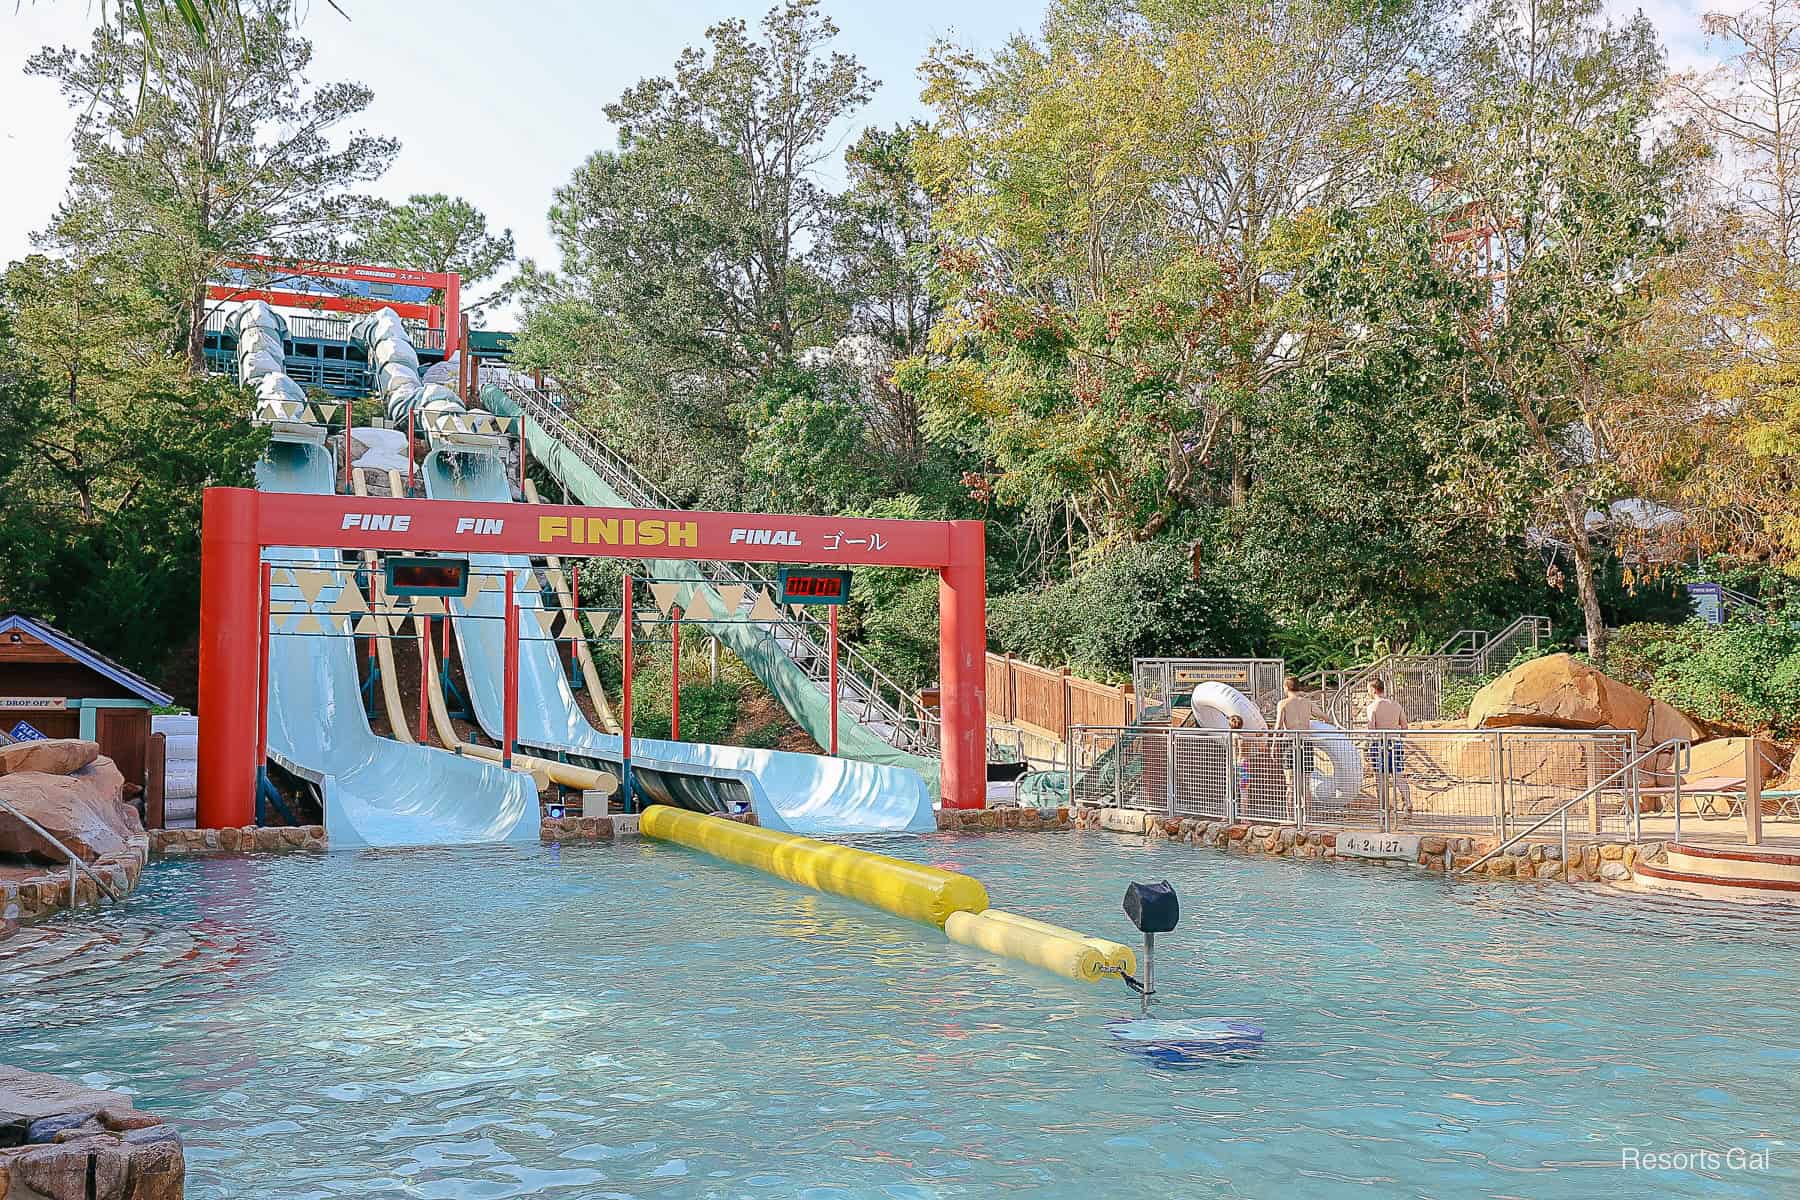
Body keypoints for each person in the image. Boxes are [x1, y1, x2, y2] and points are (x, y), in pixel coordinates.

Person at [1364, 679, 1413, 816]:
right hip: (1395, 743)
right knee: (1398, 775)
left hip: (1379, 745)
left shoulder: (1372, 707)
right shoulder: (1396, 705)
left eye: (1369, 689)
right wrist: (1401, 740)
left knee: (1380, 778)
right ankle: (1408, 802)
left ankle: (1384, 808)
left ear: (1373, 690)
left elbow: (1371, 729)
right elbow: (1404, 726)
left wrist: (1367, 746)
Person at [1274, 676, 1314, 811]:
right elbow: (1323, 716)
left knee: (1290, 784)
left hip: (1290, 743)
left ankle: (1290, 817)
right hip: (1306, 743)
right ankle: (1308, 819)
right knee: (1305, 784)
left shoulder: (1283, 703)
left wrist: (1274, 744)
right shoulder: (1307, 703)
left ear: (1286, 688)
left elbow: (1278, 726)